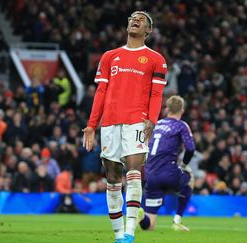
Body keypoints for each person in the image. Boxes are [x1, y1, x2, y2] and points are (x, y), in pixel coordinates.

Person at [82, 11, 167, 243]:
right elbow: (100, 92)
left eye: (141, 19)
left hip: (136, 120)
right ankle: (118, 235)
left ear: (148, 30)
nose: (135, 20)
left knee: (133, 170)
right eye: (132, 17)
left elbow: (157, 93)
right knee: (112, 178)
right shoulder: (110, 56)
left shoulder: (155, 59)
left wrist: (152, 119)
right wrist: (91, 125)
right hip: (109, 122)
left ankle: (129, 233)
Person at [138, 95, 195, 232]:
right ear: (182, 110)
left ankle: (140, 215)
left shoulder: (156, 124)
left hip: (150, 174)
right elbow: (191, 148)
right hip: (169, 172)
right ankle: (177, 221)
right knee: (190, 178)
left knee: (149, 225)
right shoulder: (181, 125)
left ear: (166, 109)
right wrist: (183, 165)